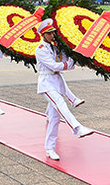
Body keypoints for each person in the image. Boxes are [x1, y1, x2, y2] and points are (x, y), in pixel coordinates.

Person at [35, 18, 93, 160]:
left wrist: (80, 60)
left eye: (53, 33)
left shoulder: (55, 48)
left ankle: (50, 148)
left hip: (57, 82)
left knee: (54, 119)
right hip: (47, 83)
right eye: (49, 33)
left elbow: (65, 60)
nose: (52, 35)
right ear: (43, 35)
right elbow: (54, 66)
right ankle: (77, 128)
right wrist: (71, 63)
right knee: (60, 103)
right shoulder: (41, 50)